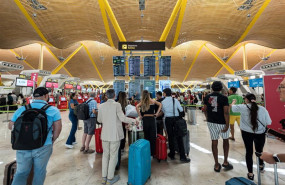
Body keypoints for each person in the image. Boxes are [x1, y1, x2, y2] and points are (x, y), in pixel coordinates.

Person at [8, 87, 62, 185]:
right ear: (46, 96)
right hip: (43, 145)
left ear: (33, 96)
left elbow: (10, 126)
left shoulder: (23, 109)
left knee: (21, 172)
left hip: (22, 145)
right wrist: (52, 140)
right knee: (39, 171)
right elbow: (58, 128)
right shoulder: (53, 110)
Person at [97, 89, 137, 185]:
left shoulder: (101, 106)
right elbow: (122, 118)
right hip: (114, 135)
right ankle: (110, 178)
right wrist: (134, 121)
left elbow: (99, 120)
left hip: (105, 134)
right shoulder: (117, 105)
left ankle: (104, 178)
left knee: (105, 155)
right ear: (114, 95)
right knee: (113, 156)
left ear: (106, 96)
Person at [231, 93, 271, 180]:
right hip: (260, 133)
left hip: (246, 133)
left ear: (246, 100)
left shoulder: (242, 107)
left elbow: (232, 108)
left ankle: (250, 173)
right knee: (259, 150)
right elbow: (269, 122)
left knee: (249, 152)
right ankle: (260, 165)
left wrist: (233, 102)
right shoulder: (262, 109)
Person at [203, 81, 233, 172]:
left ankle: (216, 164)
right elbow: (226, 112)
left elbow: (205, 109)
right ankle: (225, 162)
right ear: (221, 88)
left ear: (212, 88)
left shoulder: (207, 97)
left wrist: (208, 118)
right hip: (222, 123)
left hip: (211, 122)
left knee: (214, 141)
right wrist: (227, 125)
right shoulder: (224, 98)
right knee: (225, 141)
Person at [161, 88, 191, 163]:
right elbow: (181, 110)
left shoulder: (163, 102)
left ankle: (172, 154)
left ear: (164, 93)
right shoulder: (175, 100)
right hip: (176, 120)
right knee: (179, 137)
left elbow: (164, 111)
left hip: (168, 120)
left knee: (170, 137)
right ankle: (182, 157)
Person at [136, 90, 162, 156]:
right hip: (152, 119)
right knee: (152, 137)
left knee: (146, 136)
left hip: (145, 119)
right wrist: (157, 113)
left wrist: (140, 115)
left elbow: (136, 107)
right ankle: (152, 153)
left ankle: (147, 152)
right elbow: (160, 104)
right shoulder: (152, 101)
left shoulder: (143, 102)